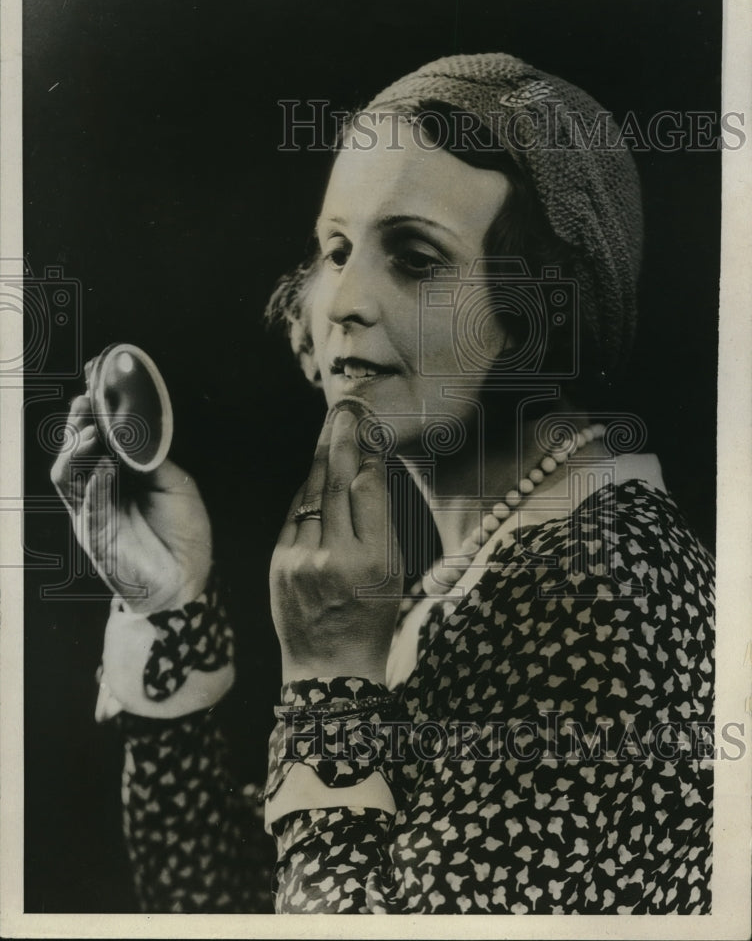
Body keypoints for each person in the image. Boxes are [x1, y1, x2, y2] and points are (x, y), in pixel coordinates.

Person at [51, 52, 715, 914]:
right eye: (335, 249)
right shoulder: (479, 573)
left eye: (414, 257)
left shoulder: (613, 596)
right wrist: (168, 611)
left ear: (543, 312)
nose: (339, 302)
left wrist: (328, 682)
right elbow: (223, 907)